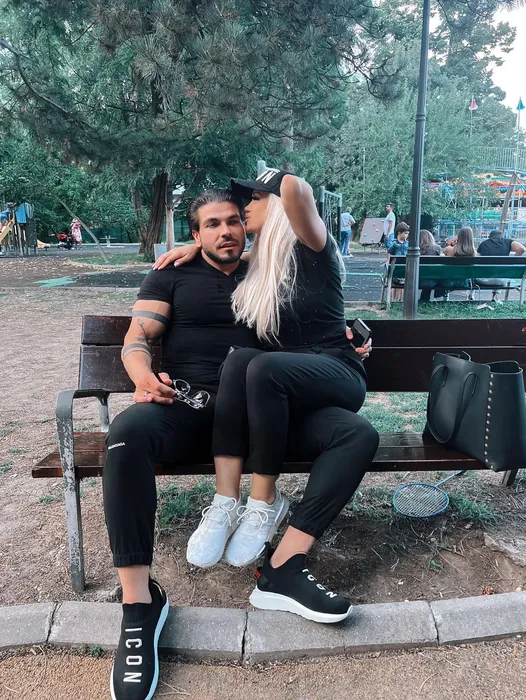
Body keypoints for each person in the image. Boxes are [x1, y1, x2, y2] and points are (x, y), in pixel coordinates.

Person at [105, 186, 376, 700]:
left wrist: (354, 338)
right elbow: (137, 336)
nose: (226, 230)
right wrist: (142, 376)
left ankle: (284, 566)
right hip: (189, 409)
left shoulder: (267, 267)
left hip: (267, 415)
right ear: (195, 233)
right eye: (211, 224)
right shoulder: (172, 273)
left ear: (249, 227)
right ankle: (139, 605)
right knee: (125, 435)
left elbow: (314, 299)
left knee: (355, 433)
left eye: (234, 220)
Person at [158, 170, 378, 622]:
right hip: (285, 397)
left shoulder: (313, 246)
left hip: (335, 371)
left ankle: (262, 503)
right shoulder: (261, 268)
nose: (245, 208)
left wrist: (274, 182)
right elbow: (222, 255)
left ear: (275, 205)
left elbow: (295, 188)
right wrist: (196, 247)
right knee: (356, 435)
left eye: (254, 198)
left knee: (259, 365)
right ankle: (279, 566)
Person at [476, 229, 526, 301]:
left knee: (475, 272)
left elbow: (476, 259)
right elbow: (522, 249)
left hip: (484, 279)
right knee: (500, 272)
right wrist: (514, 260)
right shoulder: (507, 242)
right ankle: (494, 297)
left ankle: (471, 295)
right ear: (502, 236)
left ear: (490, 237)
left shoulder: (484, 244)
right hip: (502, 280)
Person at [441, 226, 478, 300]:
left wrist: (453, 243)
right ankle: (471, 295)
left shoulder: (449, 249)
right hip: (465, 282)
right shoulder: (474, 253)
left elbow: (444, 252)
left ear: (459, 237)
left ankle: (445, 297)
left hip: (449, 281)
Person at [386, 222, 409, 301]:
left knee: (402, 282)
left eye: (407, 234)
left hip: (404, 265)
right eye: (405, 233)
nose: (407, 235)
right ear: (399, 233)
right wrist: (388, 262)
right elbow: (389, 253)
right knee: (394, 282)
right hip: (395, 265)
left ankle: (400, 298)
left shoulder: (407, 244)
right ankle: (393, 299)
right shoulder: (394, 243)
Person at [418, 229, 443, 302]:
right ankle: (425, 299)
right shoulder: (437, 248)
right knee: (431, 273)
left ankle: (423, 300)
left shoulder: (414, 250)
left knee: (425, 274)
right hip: (432, 281)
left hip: (415, 281)